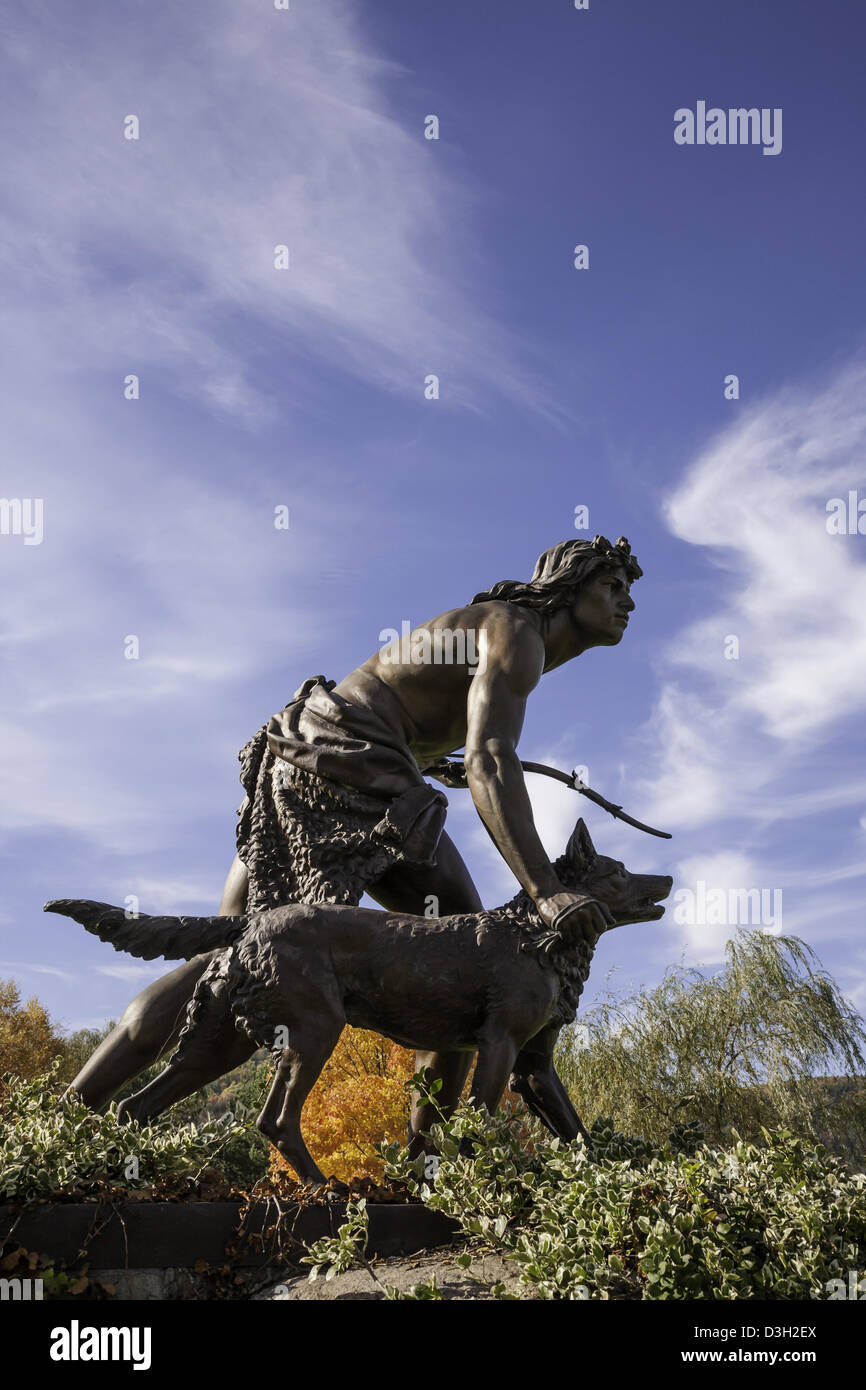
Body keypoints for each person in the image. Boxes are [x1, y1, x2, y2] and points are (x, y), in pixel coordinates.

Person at [69, 534, 641, 1136]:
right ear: (567, 588)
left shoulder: (498, 631)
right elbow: (490, 759)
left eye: (628, 590)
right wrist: (545, 888)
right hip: (344, 772)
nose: (626, 602)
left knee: (231, 953)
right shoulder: (517, 633)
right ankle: (430, 1165)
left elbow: (406, 708)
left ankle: (72, 1114)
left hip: (317, 760)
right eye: (611, 586)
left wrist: (423, 756)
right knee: (470, 960)